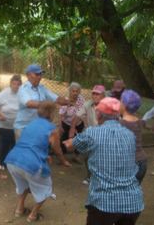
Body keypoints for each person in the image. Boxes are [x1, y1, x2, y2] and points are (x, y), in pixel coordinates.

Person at [63, 97, 144, 225]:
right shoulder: (130, 135)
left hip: (104, 203)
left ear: (99, 114)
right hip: (133, 202)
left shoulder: (92, 133)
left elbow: (71, 145)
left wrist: (69, 141)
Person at [5, 101, 71, 223]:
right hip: (30, 164)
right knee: (45, 187)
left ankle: (19, 210)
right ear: (51, 114)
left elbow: (31, 143)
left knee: (23, 184)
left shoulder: (30, 124)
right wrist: (63, 161)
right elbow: (57, 149)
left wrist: (44, 156)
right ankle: (33, 215)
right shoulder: (52, 129)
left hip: (13, 160)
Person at [14, 64, 69, 137]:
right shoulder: (23, 89)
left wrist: (70, 101)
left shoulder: (42, 88)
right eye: (37, 74)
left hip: (38, 127)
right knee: (26, 148)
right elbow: (29, 103)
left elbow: (57, 99)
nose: (40, 77)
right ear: (28, 75)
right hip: (24, 128)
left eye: (40, 74)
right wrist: (50, 104)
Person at [69, 84, 106, 185]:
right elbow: (77, 116)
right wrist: (72, 128)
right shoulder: (88, 103)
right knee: (86, 156)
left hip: (105, 134)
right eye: (93, 93)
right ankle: (90, 176)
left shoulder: (108, 106)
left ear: (103, 95)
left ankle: (100, 177)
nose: (94, 96)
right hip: (90, 133)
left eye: (97, 94)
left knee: (102, 158)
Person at [0, 74, 22, 168]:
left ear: (20, 85)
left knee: (14, 144)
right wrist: (0, 115)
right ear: (10, 84)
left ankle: (12, 163)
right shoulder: (5, 93)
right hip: (3, 125)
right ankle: (1, 163)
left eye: (18, 84)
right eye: (14, 84)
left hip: (16, 125)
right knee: (5, 144)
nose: (16, 86)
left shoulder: (22, 94)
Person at [120, 90, 147, 184]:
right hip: (142, 161)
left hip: (129, 163)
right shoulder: (140, 122)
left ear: (124, 104)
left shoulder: (120, 124)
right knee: (135, 193)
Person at [59, 82, 85, 154]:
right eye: (73, 91)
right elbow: (61, 115)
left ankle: (77, 155)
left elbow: (81, 113)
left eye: (77, 91)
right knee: (63, 139)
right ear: (70, 91)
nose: (75, 93)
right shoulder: (66, 101)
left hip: (78, 123)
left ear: (79, 92)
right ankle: (63, 153)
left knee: (80, 139)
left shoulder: (81, 99)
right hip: (67, 123)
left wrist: (74, 127)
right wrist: (60, 125)